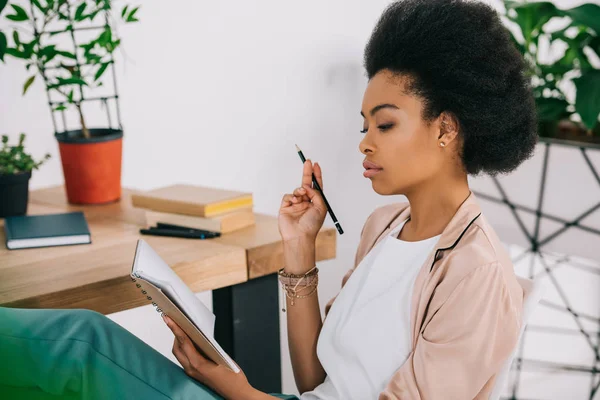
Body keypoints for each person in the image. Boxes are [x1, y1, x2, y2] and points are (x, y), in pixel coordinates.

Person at [0, 0, 537, 399]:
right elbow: (315, 383)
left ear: (446, 129)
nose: (364, 142)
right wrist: (298, 248)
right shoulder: (384, 225)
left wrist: (239, 391)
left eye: (385, 124)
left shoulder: (476, 275)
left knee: (77, 344)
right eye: (363, 124)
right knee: (77, 342)